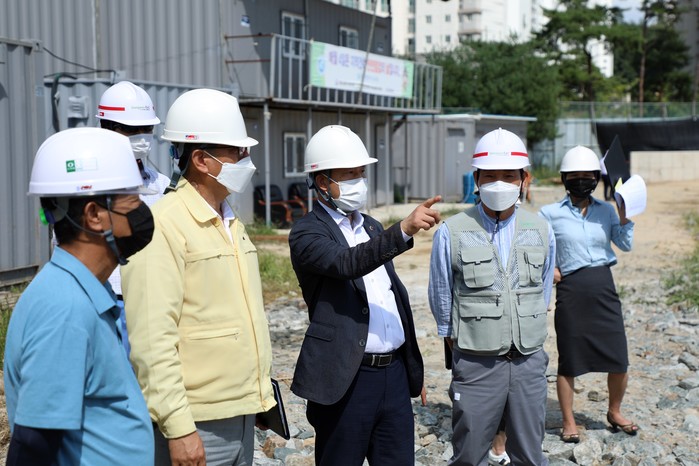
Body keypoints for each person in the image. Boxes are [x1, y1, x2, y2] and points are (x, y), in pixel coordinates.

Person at [121, 88, 275, 466]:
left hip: (240, 413)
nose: (246, 160)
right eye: (237, 152)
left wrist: (257, 396)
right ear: (202, 160)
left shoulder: (230, 221)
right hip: (196, 425)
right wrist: (178, 428)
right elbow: (152, 340)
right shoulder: (163, 225)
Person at [289, 124, 441, 465]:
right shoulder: (307, 232)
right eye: (349, 174)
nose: (359, 181)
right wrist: (403, 229)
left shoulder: (370, 226)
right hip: (347, 379)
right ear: (323, 182)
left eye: (361, 172)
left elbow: (391, 296)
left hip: (393, 376)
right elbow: (347, 263)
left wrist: (410, 368)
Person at [3, 127, 155, 465]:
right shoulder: (64, 309)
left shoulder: (86, 289)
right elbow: (32, 445)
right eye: (132, 199)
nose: (142, 210)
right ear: (94, 215)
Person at [429, 128, 555, 466]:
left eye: (509, 176)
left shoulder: (541, 229)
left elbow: (543, 289)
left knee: (530, 453)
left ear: (524, 179)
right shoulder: (452, 231)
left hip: (529, 360)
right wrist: (456, 340)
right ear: (476, 179)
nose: (499, 184)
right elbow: (441, 292)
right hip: (476, 361)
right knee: (469, 454)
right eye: (490, 176)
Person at [539, 145, 637, 443]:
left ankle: (615, 411)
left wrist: (624, 215)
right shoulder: (548, 214)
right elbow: (536, 249)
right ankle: (568, 421)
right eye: (574, 175)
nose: (581, 180)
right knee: (569, 359)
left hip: (604, 288)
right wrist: (549, 272)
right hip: (571, 291)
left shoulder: (606, 211)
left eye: (587, 175)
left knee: (618, 358)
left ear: (596, 178)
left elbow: (625, 244)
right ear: (564, 178)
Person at [96, 80, 170, 356]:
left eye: (147, 129)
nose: (141, 137)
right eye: (130, 130)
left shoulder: (160, 185)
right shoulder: (88, 186)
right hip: (108, 298)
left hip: (154, 298)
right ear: (107, 129)